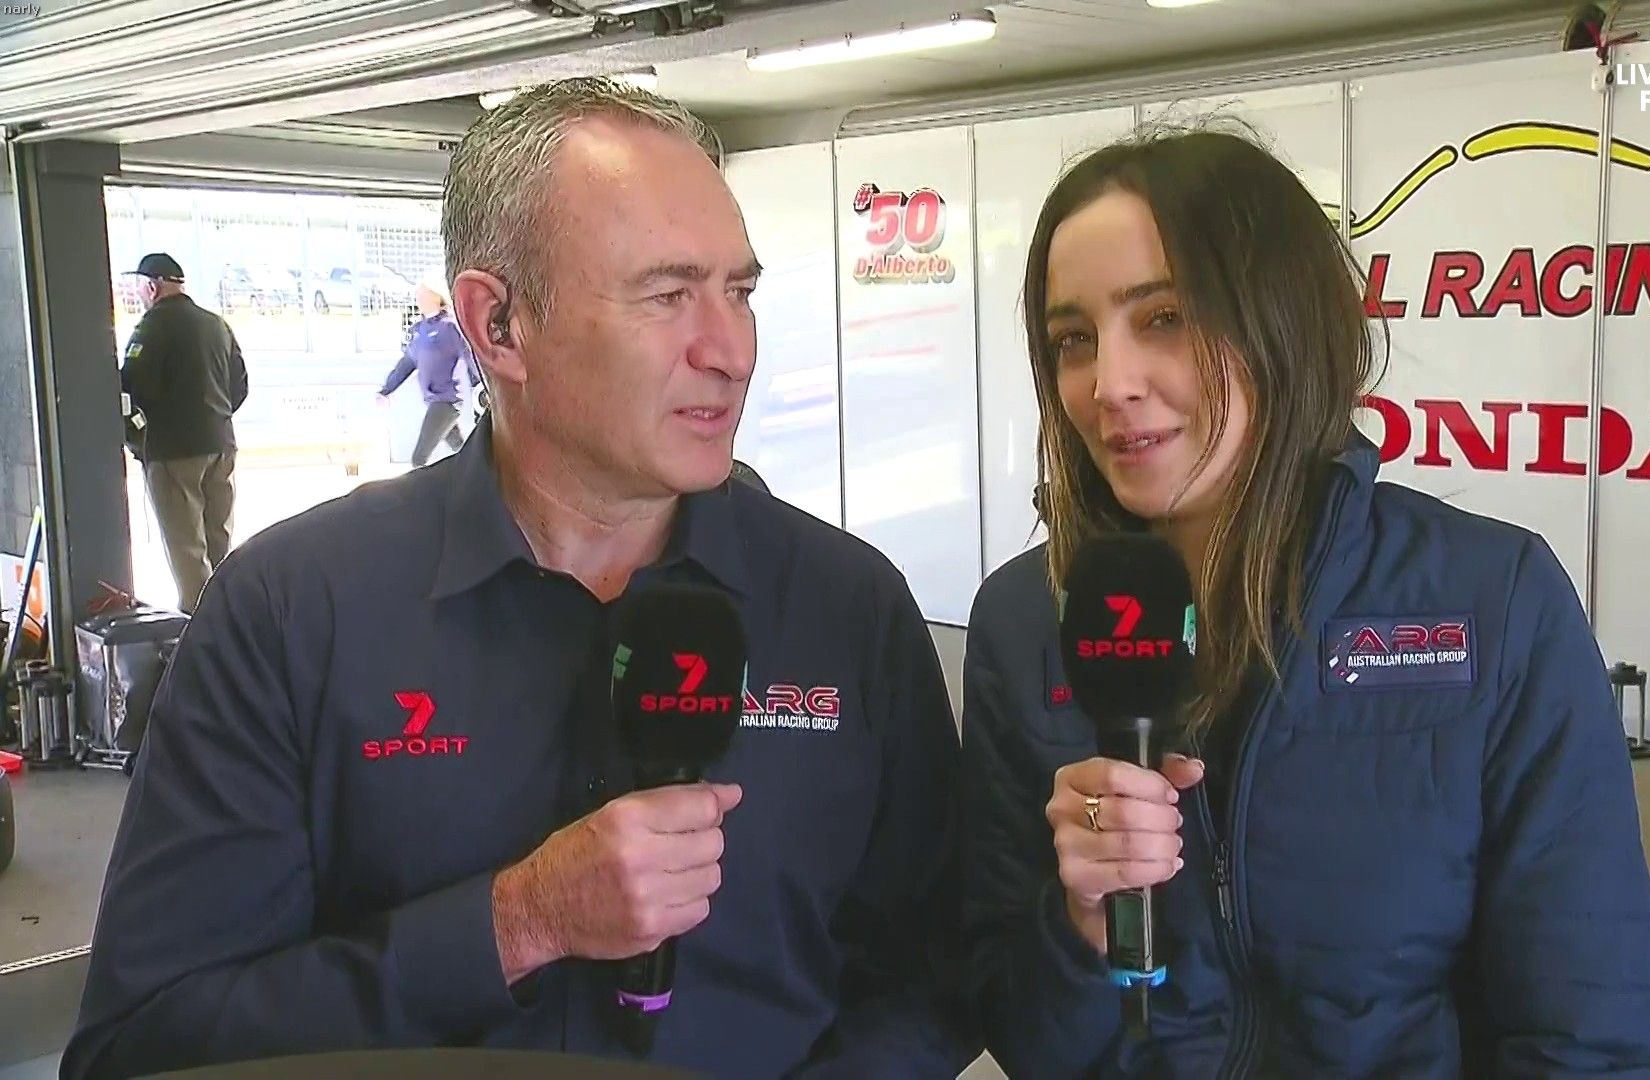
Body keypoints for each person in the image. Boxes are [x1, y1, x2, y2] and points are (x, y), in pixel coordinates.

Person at [66, 79, 975, 1080]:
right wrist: (515, 923)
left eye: (740, 292)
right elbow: (143, 1047)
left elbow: (936, 974)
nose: (731, 351)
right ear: (498, 325)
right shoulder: (291, 614)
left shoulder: (850, 609)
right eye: (668, 295)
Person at [960, 122, 1650, 1078]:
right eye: (1073, 340)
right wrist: (1080, 927)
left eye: (1164, 317)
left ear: (1282, 321)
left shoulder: (1495, 602)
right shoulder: (1023, 621)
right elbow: (1021, 1032)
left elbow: (1588, 1038)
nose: (1109, 384)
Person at [118, 252, 249, 614]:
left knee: (188, 549)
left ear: (152, 287)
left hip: (174, 453)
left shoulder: (151, 329)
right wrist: (213, 417)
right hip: (221, 445)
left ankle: (200, 623)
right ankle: (228, 616)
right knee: (218, 540)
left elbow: (132, 391)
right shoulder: (216, 325)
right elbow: (239, 386)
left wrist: (137, 439)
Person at [376, 277, 482, 468]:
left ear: (436, 296)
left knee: (419, 459)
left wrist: (481, 387)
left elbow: (470, 358)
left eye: (423, 294)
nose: (419, 298)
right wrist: (386, 390)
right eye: (418, 295)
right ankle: (479, 475)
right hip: (433, 400)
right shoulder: (419, 330)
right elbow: (406, 364)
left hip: (447, 400)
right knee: (460, 450)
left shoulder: (450, 327)